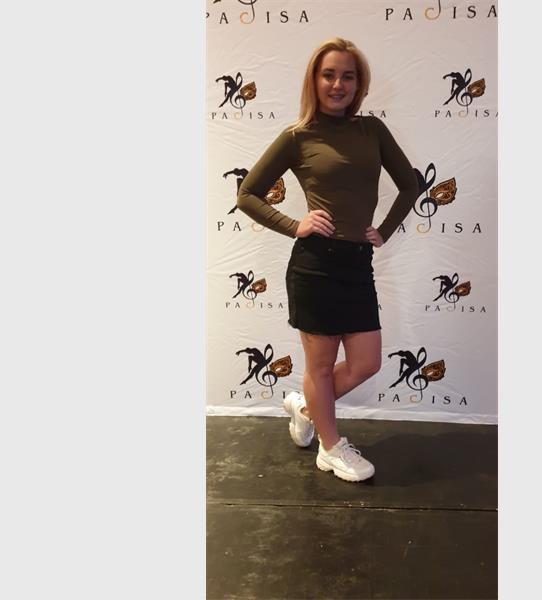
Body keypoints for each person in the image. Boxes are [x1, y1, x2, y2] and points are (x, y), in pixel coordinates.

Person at [236, 38, 419, 482]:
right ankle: (331, 447)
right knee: (319, 367)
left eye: (348, 76)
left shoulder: (372, 130)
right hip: (315, 264)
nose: (338, 84)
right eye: (329, 75)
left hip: (357, 263)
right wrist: (293, 225)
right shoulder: (297, 136)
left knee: (366, 363)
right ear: (314, 81)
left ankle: (306, 407)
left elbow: (410, 185)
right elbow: (247, 194)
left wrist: (384, 230)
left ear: (359, 83)